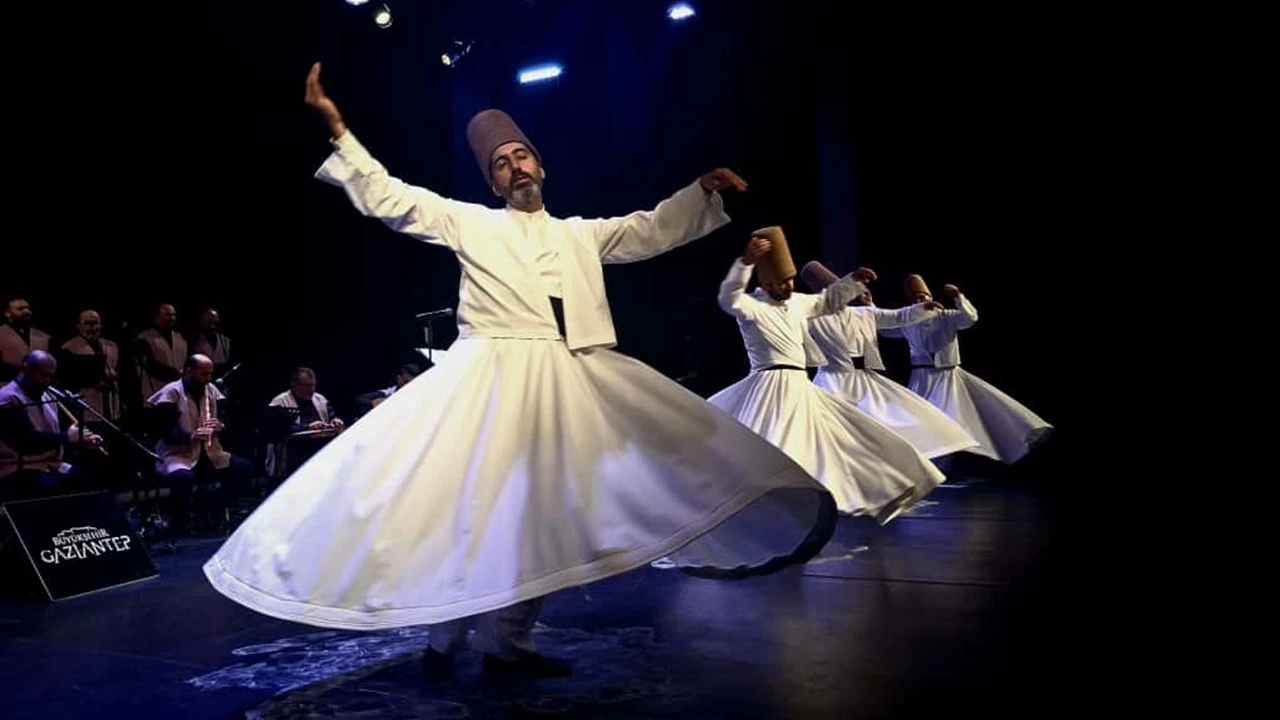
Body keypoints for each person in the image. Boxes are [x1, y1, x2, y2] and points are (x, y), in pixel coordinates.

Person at [202, 64, 838, 679]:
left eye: (521, 156)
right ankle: (444, 636)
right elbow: (392, 198)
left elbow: (648, 230)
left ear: (541, 165)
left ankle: (509, 642)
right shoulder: (472, 222)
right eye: (501, 163)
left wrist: (700, 192)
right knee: (468, 510)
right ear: (493, 181)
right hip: (487, 375)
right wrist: (338, 128)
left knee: (540, 517)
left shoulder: (580, 235)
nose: (514, 167)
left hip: (563, 376)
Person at [709, 228, 946, 523]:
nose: (789, 286)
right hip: (769, 383)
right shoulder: (751, 306)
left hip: (800, 384)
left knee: (842, 439)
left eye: (790, 280)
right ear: (767, 283)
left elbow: (828, 300)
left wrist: (854, 281)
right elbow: (728, 298)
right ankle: (758, 506)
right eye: (782, 282)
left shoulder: (797, 302)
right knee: (770, 443)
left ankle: (881, 490)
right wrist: (745, 263)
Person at [800, 262, 978, 459]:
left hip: (863, 378)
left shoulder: (863, 313)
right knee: (835, 428)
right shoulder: (812, 318)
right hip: (832, 379)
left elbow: (897, 317)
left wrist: (922, 309)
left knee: (888, 420)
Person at [882, 274, 1052, 463]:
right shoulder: (908, 321)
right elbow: (885, 329)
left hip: (947, 375)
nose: (919, 301)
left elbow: (970, 318)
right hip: (921, 376)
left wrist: (958, 297)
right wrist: (871, 308)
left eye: (922, 296)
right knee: (918, 418)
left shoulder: (946, 316)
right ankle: (930, 461)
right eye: (915, 298)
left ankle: (947, 461)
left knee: (949, 418)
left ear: (930, 297)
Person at [146, 354, 253, 534]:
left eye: (210, 373)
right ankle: (180, 523)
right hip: (178, 453)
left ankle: (214, 508)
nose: (208, 378)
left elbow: (226, 417)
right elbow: (164, 431)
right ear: (189, 372)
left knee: (244, 469)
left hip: (210, 452)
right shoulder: (171, 393)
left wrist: (221, 425)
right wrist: (191, 436)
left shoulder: (211, 390)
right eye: (204, 374)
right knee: (183, 479)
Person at [0, 350, 102, 501]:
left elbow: (56, 434)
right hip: (15, 469)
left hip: (49, 464)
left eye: (50, 376)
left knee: (94, 480)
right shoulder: (7, 398)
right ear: (25, 369)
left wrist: (81, 440)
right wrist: (67, 437)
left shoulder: (47, 396)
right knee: (58, 488)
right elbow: (25, 442)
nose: (47, 381)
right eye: (43, 374)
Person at [265, 367, 344, 479]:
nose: (312, 390)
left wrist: (335, 420)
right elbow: (278, 428)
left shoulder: (319, 399)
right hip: (294, 452)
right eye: (307, 386)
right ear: (294, 385)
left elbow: (331, 415)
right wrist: (308, 427)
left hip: (321, 446)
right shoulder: (280, 401)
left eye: (313, 385)